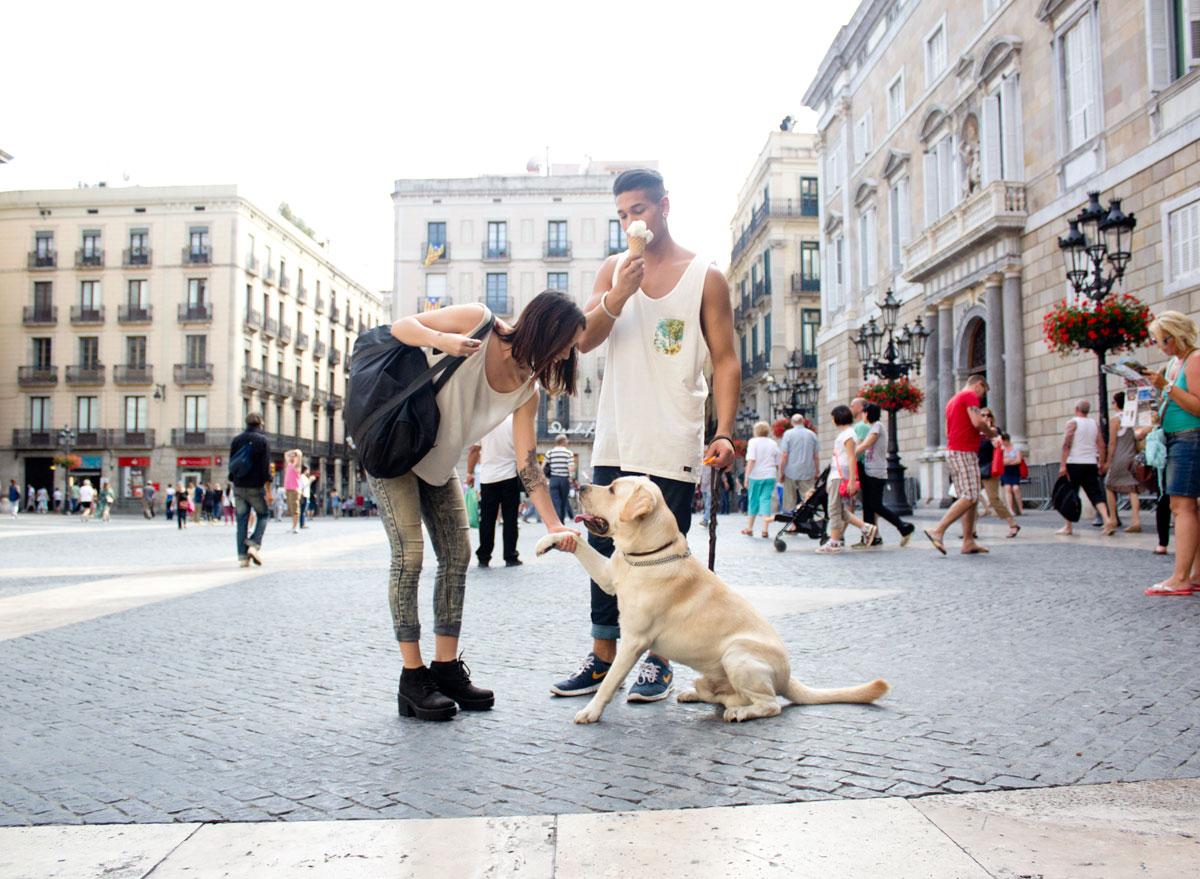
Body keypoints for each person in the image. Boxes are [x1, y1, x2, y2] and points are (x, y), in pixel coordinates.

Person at [549, 168, 739, 705]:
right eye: (623, 215)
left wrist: (723, 433)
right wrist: (618, 292)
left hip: (674, 435)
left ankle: (659, 661)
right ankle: (602, 656)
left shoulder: (706, 276)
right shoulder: (613, 269)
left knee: (664, 558)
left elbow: (725, 361)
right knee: (609, 547)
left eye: (639, 210)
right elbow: (583, 339)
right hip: (616, 435)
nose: (632, 221)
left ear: (664, 207)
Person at [375, 291, 585, 721]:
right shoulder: (478, 321)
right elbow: (400, 328)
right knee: (409, 557)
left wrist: (553, 524)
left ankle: (446, 668)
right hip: (395, 448)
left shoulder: (528, 392)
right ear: (550, 330)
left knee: (458, 554)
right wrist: (444, 341)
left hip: (437, 461)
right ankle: (412, 679)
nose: (568, 353)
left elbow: (529, 466)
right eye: (567, 343)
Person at [1144, 312, 1200, 595]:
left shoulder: (1195, 360)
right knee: (1187, 507)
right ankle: (1195, 573)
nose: (1159, 345)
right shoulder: (1174, 363)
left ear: (1174, 336)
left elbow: (1198, 406)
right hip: (1177, 438)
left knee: (1183, 507)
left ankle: (1181, 578)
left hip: (1190, 438)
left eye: (1160, 340)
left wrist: (1166, 386)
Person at [923, 374, 996, 555]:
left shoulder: (953, 400)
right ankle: (938, 530)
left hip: (956, 450)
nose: (980, 398)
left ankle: (968, 541)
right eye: (982, 393)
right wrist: (991, 432)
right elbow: (977, 422)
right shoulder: (969, 396)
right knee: (970, 496)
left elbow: (959, 427)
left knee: (970, 497)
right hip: (963, 452)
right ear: (978, 385)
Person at [467, 414, 523, 568]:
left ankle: (484, 556)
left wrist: (469, 473)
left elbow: (474, 450)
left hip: (488, 478)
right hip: (510, 475)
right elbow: (522, 449)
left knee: (487, 519)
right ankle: (510, 556)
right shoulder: (514, 420)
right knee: (510, 519)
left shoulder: (483, 420)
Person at [817, 405, 875, 554]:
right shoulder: (845, 433)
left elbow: (851, 457)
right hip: (836, 474)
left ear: (838, 417)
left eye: (833, 417)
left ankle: (835, 542)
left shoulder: (848, 434)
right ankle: (866, 528)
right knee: (840, 509)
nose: (831, 420)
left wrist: (851, 480)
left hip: (840, 475)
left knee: (834, 510)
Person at [855, 402, 916, 545]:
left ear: (868, 413)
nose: (862, 415)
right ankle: (869, 537)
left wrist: (849, 454)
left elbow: (866, 445)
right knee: (868, 507)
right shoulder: (873, 427)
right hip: (870, 470)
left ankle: (903, 526)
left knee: (875, 505)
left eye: (864, 412)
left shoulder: (877, 427)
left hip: (876, 472)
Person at [1055, 399, 1114, 537]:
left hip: (1074, 462)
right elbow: (1101, 444)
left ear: (1076, 409)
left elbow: (1066, 445)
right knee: (1095, 493)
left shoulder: (1072, 423)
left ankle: (1068, 526)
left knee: (1070, 494)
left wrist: (1063, 465)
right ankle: (1107, 519)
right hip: (1090, 462)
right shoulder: (1094, 424)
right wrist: (1101, 461)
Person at [230, 412, 273, 566]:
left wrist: (234, 481)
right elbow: (265, 468)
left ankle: (242, 558)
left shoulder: (236, 440)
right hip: (255, 486)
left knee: (241, 520)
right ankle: (254, 545)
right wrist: (268, 490)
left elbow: (231, 465)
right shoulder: (263, 440)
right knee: (263, 514)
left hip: (239, 486)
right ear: (260, 423)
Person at [976, 408, 1020, 539]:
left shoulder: (994, 431)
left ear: (991, 417)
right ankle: (970, 530)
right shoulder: (977, 433)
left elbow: (998, 444)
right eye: (981, 415)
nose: (984, 417)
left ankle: (1013, 524)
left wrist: (990, 432)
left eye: (987, 415)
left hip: (989, 469)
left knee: (993, 498)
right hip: (977, 468)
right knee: (970, 499)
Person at [1104, 391, 1144, 533]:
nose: (1112, 405)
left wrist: (1108, 460)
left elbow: (1112, 443)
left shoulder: (1116, 420)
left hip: (1119, 457)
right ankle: (1136, 520)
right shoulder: (1132, 418)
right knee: (1132, 489)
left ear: (1118, 404)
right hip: (1132, 455)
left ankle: (1113, 518)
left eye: (1113, 402)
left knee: (1109, 485)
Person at [741, 421, 781, 538]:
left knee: (753, 500)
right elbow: (777, 460)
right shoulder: (773, 443)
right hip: (770, 475)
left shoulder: (753, 442)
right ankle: (765, 529)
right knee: (766, 500)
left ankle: (749, 528)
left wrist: (746, 477)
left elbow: (751, 460)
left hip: (756, 475)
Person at [779, 413, 820, 518]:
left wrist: (781, 472)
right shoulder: (812, 434)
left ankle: (790, 523)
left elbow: (784, 455)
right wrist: (817, 471)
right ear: (803, 422)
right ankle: (808, 519)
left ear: (792, 423)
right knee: (808, 497)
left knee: (789, 499)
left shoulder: (788, 434)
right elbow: (816, 456)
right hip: (808, 470)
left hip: (790, 471)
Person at [544, 435, 574, 525]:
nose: (568, 442)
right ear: (563, 441)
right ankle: (561, 522)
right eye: (566, 440)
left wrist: (545, 478)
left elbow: (543, 466)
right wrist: (571, 478)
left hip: (553, 479)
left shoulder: (550, 452)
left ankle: (557, 523)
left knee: (555, 502)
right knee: (563, 501)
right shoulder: (568, 453)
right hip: (564, 480)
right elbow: (571, 468)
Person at [999, 433, 1024, 516]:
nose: (1002, 443)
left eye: (1003, 441)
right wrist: (1011, 460)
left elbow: (1018, 460)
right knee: (1008, 488)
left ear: (1006, 440)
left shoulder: (1016, 448)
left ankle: (1020, 508)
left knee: (1016, 488)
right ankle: (1010, 509)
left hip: (1014, 471)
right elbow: (1001, 462)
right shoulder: (1002, 449)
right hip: (1005, 472)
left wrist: (1008, 461)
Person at [283, 451, 302, 533]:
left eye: (293, 456)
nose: (291, 457)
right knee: (291, 509)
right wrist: (291, 452)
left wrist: (297, 454)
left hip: (294, 489)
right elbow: (285, 454)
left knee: (295, 509)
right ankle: (293, 526)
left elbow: (299, 455)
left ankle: (296, 527)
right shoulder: (289, 465)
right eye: (290, 456)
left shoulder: (297, 466)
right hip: (288, 489)